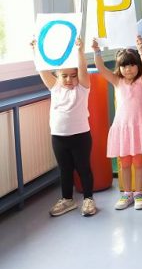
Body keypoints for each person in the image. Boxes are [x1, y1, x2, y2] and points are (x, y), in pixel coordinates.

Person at [31, 37, 96, 217]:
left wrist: (80, 51)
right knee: (65, 169)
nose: (69, 79)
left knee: (83, 168)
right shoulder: (55, 88)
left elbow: (82, 70)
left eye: (73, 75)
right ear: (57, 76)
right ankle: (67, 200)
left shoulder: (83, 89)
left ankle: (88, 199)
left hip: (81, 136)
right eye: (64, 75)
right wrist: (36, 51)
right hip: (58, 137)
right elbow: (42, 70)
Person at [92, 36, 142, 210]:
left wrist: (141, 50)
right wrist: (97, 52)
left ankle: (139, 193)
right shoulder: (117, 82)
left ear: (138, 66)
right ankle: (127, 193)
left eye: (132, 65)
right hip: (122, 130)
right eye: (124, 65)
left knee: (139, 163)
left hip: (138, 129)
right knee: (125, 164)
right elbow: (101, 69)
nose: (128, 69)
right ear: (119, 68)